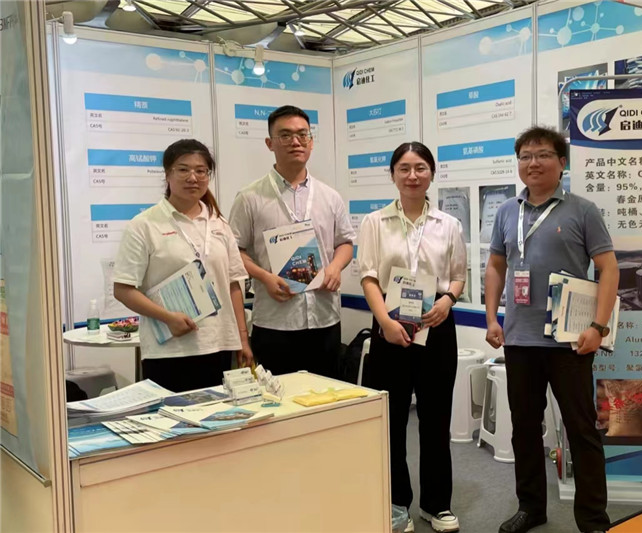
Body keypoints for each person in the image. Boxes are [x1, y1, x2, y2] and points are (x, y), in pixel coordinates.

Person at [484, 126, 619, 533]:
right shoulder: (506, 212)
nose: (533, 163)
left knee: (581, 430)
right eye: (525, 156)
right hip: (519, 340)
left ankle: (593, 520)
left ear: (562, 163)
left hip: (570, 342)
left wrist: (598, 326)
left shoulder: (582, 210)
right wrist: (491, 318)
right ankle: (531, 507)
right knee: (525, 429)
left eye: (543, 155)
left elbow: (609, 268)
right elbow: (496, 266)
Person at [358, 142, 467, 533]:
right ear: (392, 175)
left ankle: (437, 505)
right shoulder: (375, 222)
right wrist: (384, 321)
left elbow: (458, 275)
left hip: (436, 324)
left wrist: (448, 301)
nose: (412, 175)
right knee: (391, 420)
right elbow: (369, 276)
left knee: (436, 418)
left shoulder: (448, 224)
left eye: (420, 167)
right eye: (404, 168)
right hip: (389, 324)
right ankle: (396, 503)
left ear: (431, 173)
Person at [114, 139, 252, 392]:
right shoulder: (144, 225)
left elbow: (234, 284)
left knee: (219, 416)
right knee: (174, 416)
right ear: (167, 174)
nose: (193, 178)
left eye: (201, 171)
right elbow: (123, 289)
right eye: (183, 169)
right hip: (169, 349)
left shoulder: (219, 224)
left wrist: (242, 339)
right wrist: (168, 318)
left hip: (220, 345)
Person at [229, 105, 355, 378]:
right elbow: (234, 251)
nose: (295, 141)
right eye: (285, 135)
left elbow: (345, 243)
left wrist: (335, 268)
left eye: (302, 134)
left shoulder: (330, 196)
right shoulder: (250, 197)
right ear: (270, 143)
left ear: (311, 141)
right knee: (278, 399)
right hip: (275, 322)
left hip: (324, 318)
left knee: (326, 397)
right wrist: (264, 277)